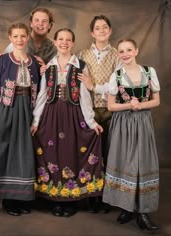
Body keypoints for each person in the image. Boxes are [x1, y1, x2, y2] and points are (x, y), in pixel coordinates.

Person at [31, 28, 104, 218]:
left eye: (68, 40)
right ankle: (55, 200)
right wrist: (36, 121)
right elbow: (41, 95)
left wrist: (90, 121)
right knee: (52, 154)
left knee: (70, 153)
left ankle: (71, 200)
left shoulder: (80, 65)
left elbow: (84, 95)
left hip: (73, 115)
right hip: (51, 114)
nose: (64, 42)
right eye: (60, 39)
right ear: (55, 42)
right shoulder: (49, 66)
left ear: (73, 43)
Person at [0, 23, 41, 216]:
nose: (20, 40)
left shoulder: (34, 62)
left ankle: (21, 197)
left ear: (27, 38)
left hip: (26, 110)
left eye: (23, 36)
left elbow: (39, 91)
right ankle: (7, 198)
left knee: (23, 151)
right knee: (6, 150)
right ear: (10, 38)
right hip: (8, 107)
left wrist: (35, 119)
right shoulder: (2, 60)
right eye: (16, 36)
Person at [102, 39, 160, 231]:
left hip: (143, 122)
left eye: (128, 50)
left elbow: (156, 101)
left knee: (142, 162)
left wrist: (140, 105)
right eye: (121, 51)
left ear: (136, 50)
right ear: (118, 54)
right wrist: (129, 105)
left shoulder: (149, 72)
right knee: (125, 162)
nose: (125, 53)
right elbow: (111, 106)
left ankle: (143, 212)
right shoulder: (116, 75)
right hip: (122, 124)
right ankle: (126, 207)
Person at [78, 15, 121, 213]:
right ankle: (92, 195)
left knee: (109, 152)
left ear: (110, 31)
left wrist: (93, 85)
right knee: (90, 154)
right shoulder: (82, 54)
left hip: (111, 110)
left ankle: (108, 197)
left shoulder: (117, 55)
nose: (102, 30)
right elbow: (78, 85)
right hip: (88, 110)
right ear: (92, 32)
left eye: (105, 27)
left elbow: (117, 85)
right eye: (97, 28)